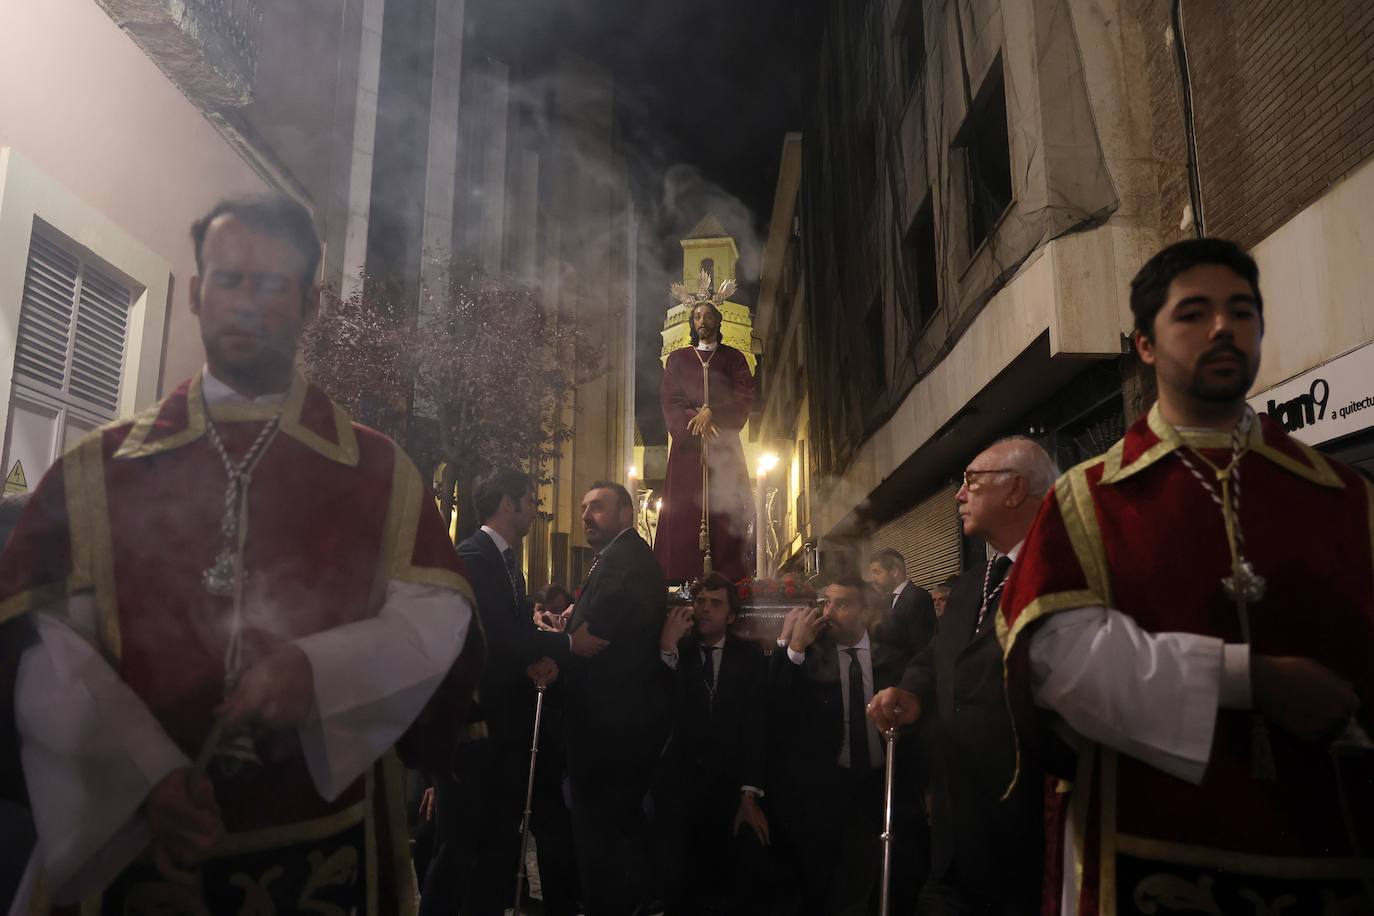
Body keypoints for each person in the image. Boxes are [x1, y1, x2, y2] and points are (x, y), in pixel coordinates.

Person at [0, 194, 480, 914]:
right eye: (229, 280)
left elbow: (435, 616)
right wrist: (145, 774)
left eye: (271, 284)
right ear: (195, 293)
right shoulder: (98, 470)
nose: (246, 304)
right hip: (133, 845)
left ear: (308, 304)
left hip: (326, 850)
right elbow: (46, 648)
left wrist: (318, 671)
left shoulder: (380, 473)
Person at [1000, 239, 1374, 914]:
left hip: (1337, 856)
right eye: (1193, 313)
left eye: (1242, 311)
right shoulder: (1088, 498)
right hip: (1149, 860)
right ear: (1144, 345)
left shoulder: (1346, 495)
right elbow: (1062, 666)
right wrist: (1249, 678)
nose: (1225, 328)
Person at [869, 437, 1058, 916]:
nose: (958, 495)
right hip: (958, 826)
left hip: (1025, 825)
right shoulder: (973, 580)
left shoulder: (1059, 572)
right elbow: (938, 655)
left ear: (1015, 489)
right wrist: (911, 691)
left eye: (972, 481)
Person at [420, 469, 578, 916]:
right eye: (530, 500)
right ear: (508, 503)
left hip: (499, 730)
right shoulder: (475, 556)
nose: (535, 509)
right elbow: (494, 634)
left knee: (493, 846)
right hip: (473, 728)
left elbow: (506, 641)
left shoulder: (506, 562)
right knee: (458, 848)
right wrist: (565, 645)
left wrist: (533, 661)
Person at [774, 578, 924, 915]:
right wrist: (794, 647)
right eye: (826, 603)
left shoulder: (895, 656)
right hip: (830, 780)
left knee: (894, 869)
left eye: (842, 604)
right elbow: (778, 707)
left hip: (884, 779)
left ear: (867, 611)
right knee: (823, 874)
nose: (829, 613)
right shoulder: (813, 653)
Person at [564, 482, 671, 915]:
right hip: (612, 719)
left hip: (611, 723)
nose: (586, 516)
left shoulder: (624, 560)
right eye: (584, 508)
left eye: (598, 508)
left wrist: (564, 638)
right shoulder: (614, 557)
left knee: (603, 832)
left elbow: (592, 639)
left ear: (626, 514)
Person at [653, 572, 774, 914]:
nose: (704, 610)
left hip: (729, 785)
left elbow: (756, 726)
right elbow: (659, 709)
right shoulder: (678, 649)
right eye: (700, 602)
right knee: (679, 884)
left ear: (731, 616)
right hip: (680, 787)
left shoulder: (749, 658)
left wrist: (749, 792)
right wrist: (666, 648)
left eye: (715, 604)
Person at [656, 269, 756, 582]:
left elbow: (745, 396)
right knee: (684, 515)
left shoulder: (734, 358)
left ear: (717, 321)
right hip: (688, 451)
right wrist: (693, 420)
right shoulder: (677, 360)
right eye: (697, 315)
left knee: (727, 515)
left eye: (708, 315)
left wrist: (714, 413)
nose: (702, 321)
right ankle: (682, 580)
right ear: (692, 323)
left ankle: (729, 582)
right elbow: (670, 401)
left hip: (723, 449)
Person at [866, 548, 938, 657]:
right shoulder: (887, 600)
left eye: (877, 572)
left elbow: (921, 647)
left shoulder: (918, 598)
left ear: (894, 571)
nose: (873, 579)